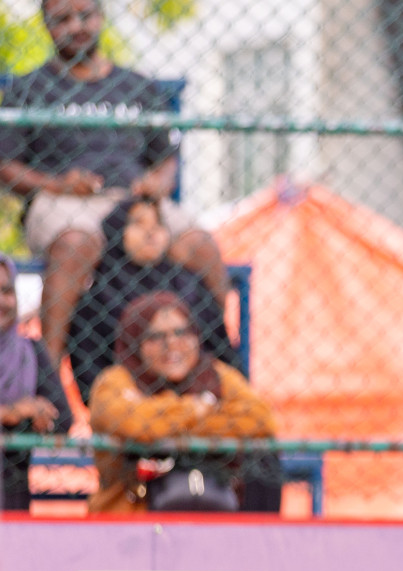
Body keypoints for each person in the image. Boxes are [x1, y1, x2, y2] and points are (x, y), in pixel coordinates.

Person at [0, 0, 228, 368]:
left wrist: (156, 183)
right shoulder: (28, 90)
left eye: (84, 15)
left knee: (200, 244)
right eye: (63, 19)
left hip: (136, 204)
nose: (76, 26)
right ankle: (50, 376)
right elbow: (5, 167)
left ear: (100, 16)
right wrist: (56, 185)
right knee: (76, 243)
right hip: (64, 201)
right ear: (47, 26)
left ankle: (214, 367)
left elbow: (165, 159)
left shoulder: (138, 87)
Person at [88, 292, 274, 513]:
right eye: (155, 336)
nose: (172, 344)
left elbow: (261, 419)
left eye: (181, 332)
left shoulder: (215, 375)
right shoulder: (114, 381)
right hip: (131, 518)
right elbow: (136, 424)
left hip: (213, 507)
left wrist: (168, 423)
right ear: (134, 342)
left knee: (266, 461)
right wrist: (196, 408)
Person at [69, 196, 237, 398]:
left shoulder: (189, 284)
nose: (151, 232)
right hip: (128, 403)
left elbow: (221, 352)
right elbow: (89, 374)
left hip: (197, 399)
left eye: (158, 224)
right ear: (117, 233)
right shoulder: (99, 296)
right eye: (138, 224)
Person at [0, 260, 68, 511]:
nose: (1, 301)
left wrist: (36, 412)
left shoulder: (29, 351)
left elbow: (63, 421)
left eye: (7, 291)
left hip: (11, 502)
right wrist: (12, 413)